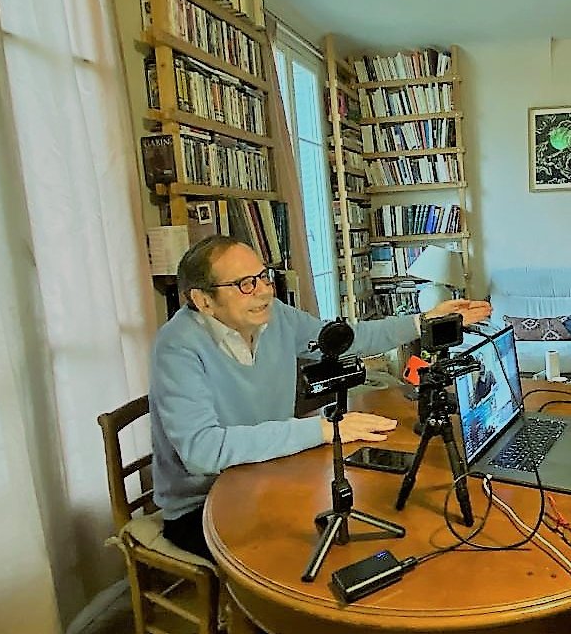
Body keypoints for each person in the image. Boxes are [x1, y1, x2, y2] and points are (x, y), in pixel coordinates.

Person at [149, 235, 492, 560]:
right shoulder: (177, 346)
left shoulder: (277, 316)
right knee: (303, 556)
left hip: (269, 471)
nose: (265, 292)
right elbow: (202, 451)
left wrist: (423, 321)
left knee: (369, 517)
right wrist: (322, 430)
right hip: (203, 505)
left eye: (263, 277)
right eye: (245, 284)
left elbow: (346, 339)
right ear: (203, 300)